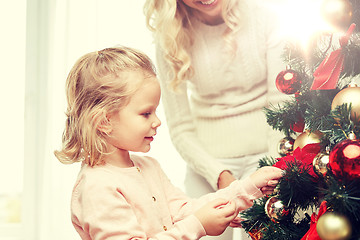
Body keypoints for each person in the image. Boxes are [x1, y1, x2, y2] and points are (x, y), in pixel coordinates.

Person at [54, 46, 284, 240]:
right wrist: (198, 225)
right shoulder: (97, 187)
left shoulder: (149, 167)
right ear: (104, 121)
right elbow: (193, 220)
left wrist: (248, 187)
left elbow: (185, 211)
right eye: (146, 113)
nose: (157, 121)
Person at [143, 0, 288, 239]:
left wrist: (273, 168)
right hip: (208, 166)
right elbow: (180, 127)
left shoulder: (264, 18)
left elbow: (281, 104)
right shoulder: (169, 35)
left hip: (267, 155)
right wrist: (221, 176)